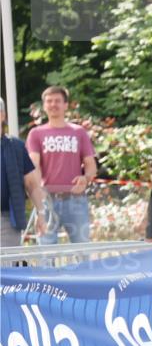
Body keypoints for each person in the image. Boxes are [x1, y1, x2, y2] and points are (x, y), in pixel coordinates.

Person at [25, 86, 97, 243]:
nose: (53, 104)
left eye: (57, 101)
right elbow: (34, 166)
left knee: (82, 252)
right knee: (46, 255)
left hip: (75, 200)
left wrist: (85, 178)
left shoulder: (79, 132)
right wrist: (37, 193)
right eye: (49, 101)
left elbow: (91, 165)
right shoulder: (36, 134)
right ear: (44, 106)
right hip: (47, 200)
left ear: (66, 105)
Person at [1, 98, 48, 248]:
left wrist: (40, 213)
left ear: (2, 115)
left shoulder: (16, 147)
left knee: (7, 269)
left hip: (7, 219)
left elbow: (32, 184)